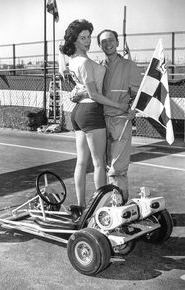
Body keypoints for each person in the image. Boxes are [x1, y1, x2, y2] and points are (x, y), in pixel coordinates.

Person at [60, 20, 128, 208]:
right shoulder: (85, 63)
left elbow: (84, 89)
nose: (87, 41)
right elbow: (94, 94)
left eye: (89, 37)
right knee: (99, 164)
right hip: (91, 111)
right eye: (82, 38)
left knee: (81, 163)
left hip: (78, 113)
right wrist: (119, 106)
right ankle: (102, 208)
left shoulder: (73, 60)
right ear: (74, 40)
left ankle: (81, 206)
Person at [97, 29, 142, 202]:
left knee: (117, 167)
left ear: (117, 42)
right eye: (103, 42)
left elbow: (141, 93)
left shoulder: (129, 66)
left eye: (110, 40)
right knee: (103, 166)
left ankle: (120, 206)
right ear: (99, 45)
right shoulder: (98, 66)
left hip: (120, 121)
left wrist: (134, 109)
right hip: (100, 123)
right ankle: (108, 203)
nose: (108, 44)